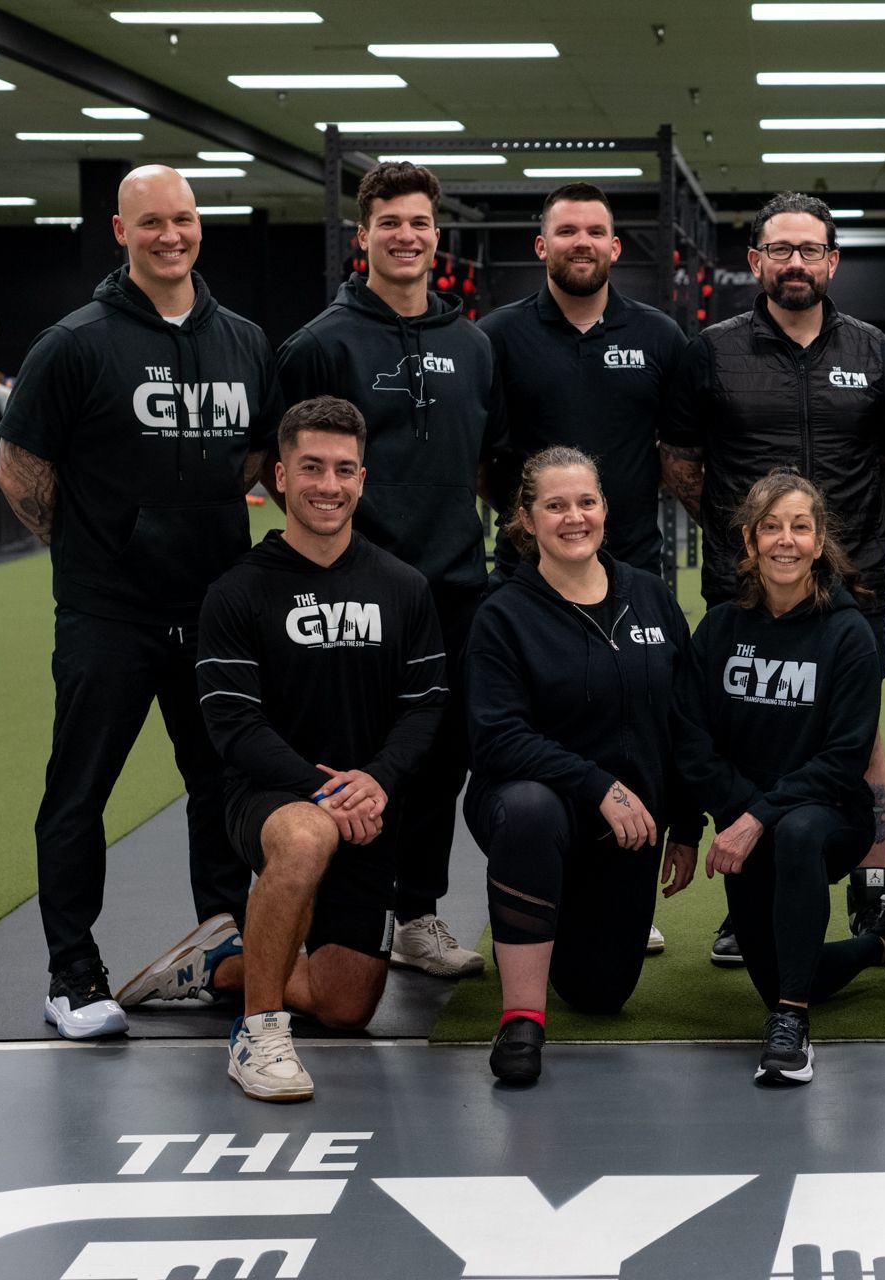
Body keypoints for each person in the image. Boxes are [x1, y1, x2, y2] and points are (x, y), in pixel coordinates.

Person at [0, 164, 280, 1039]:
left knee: (221, 787)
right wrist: (95, 553)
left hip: (213, 614)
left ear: (201, 227)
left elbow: (254, 465)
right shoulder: (74, 343)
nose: (170, 235)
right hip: (107, 615)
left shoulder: (244, 340)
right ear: (121, 232)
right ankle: (73, 975)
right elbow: (18, 473)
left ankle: (226, 954)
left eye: (183, 219)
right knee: (79, 794)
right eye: (149, 222)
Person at [115, 396, 446, 1101]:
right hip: (269, 794)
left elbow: (424, 707)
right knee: (302, 840)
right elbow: (232, 724)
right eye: (312, 467)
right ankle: (258, 1033)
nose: (329, 484)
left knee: (345, 1006)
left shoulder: (404, 587)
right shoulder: (237, 592)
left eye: (344, 469)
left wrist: (379, 781)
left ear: (363, 479)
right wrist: (324, 790)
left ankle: (221, 964)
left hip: (368, 803)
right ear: (277, 478)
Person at [661, 190, 885, 966]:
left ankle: (871, 898)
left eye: (810, 250)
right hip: (745, 593)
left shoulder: (874, 352)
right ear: (755, 262)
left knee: (860, 739)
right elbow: (680, 465)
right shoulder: (711, 352)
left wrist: (832, 546)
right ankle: (751, 902)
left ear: (832, 261)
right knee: (751, 731)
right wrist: (758, 545)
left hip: (853, 587)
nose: (795, 262)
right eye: (781, 249)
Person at [277, 160, 504, 981]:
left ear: (435, 236)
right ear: (362, 235)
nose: (405, 236)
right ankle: (331, 921)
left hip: (451, 591)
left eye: (418, 223)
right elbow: (289, 471)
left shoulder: (473, 345)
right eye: (389, 223)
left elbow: (487, 464)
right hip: (347, 594)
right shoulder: (319, 344)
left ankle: (417, 915)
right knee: (343, 759)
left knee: (439, 760)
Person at [479, 182, 688, 956]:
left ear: (615, 247)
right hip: (527, 581)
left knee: (635, 726)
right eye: (565, 231)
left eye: (595, 231)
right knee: (532, 730)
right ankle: (526, 876)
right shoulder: (496, 336)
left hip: (631, 571)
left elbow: (676, 455)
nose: (580, 243)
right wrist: (534, 529)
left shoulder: (661, 337)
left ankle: (619, 874)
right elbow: (484, 458)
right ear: (542, 247)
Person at [463, 446, 703, 1086]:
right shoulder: (503, 615)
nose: (575, 517)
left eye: (586, 502)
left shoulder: (650, 597)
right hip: (534, 807)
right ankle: (521, 1019)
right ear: (526, 517)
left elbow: (683, 720)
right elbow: (496, 736)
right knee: (531, 810)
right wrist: (597, 785)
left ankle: (548, 914)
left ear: (605, 506)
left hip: (627, 826)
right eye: (556, 505)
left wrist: (685, 822)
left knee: (601, 993)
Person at [679, 470, 885, 1085]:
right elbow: (692, 742)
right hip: (751, 816)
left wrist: (757, 819)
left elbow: (844, 758)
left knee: (796, 835)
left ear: (819, 542)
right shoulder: (719, 630)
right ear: (749, 539)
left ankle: (792, 1029)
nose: (785, 540)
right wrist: (743, 814)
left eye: (800, 527)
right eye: (771, 527)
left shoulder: (849, 634)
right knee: (792, 969)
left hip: (831, 816)